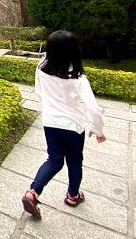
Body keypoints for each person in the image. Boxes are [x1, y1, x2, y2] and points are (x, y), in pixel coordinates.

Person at [21, 30, 106, 219]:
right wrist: (97, 129)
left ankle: (32, 192)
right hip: (73, 126)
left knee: (54, 160)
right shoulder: (77, 77)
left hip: (50, 123)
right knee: (74, 161)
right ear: (74, 52)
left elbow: (39, 92)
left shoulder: (41, 68)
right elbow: (93, 109)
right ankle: (73, 196)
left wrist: (53, 106)